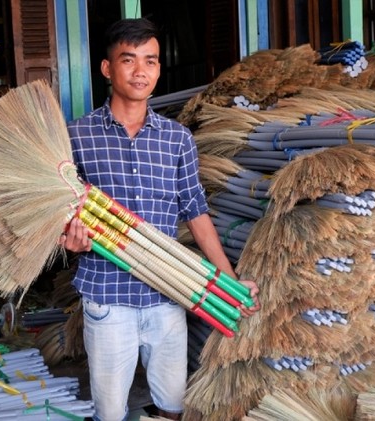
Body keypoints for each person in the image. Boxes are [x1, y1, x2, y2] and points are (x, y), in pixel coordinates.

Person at [61, 18, 260, 421]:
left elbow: (195, 211)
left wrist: (228, 280)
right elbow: (59, 216)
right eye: (129, 60)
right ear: (107, 68)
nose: (141, 71)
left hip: (169, 293)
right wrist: (69, 238)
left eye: (150, 61)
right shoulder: (74, 137)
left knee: (173, 404)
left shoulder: (177, 139)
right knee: (111, 411)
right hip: (107, 297)